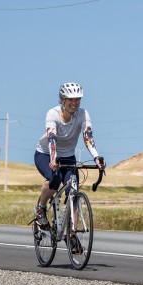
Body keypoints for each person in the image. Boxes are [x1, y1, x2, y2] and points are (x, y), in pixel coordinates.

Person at [33, 82, 106, 232]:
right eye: (71, 99)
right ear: (62, 100)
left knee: (74, 192)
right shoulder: (52, 114)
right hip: (46, 153)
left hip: (68, 156)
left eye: (78, 99)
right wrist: (53, 159)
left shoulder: (83, 114)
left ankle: (72, 235)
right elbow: (52, 138)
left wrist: (97, 157)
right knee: (54, 181)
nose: (75, 103)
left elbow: (88, 137)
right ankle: (40, 208)